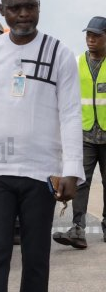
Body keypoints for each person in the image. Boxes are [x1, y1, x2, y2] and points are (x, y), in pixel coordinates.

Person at [0, 0, 84, 292]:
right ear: (3, 10)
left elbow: (71, 114)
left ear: (39, 7)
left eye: (30, 6)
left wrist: (72, 170)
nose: (24, 14)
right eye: (15, 8)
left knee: (36, 259)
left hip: (41, 171)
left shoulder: (59, 53)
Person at [53, 16, 106, 248]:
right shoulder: (76, 63)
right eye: (88, 35)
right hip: (84, 134)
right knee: (81, 181)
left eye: (96, 36)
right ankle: (77, 228)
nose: (91, 39)